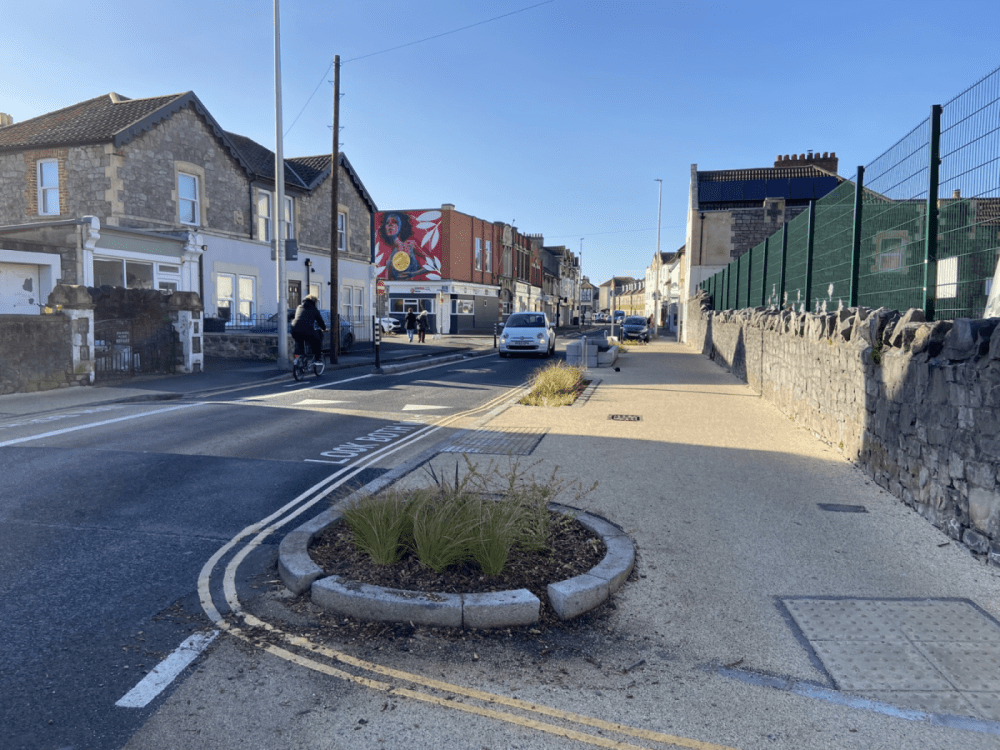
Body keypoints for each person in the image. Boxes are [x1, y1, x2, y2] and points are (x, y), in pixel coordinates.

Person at [291, 294, 326, 363]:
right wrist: (324, 328)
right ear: (314, 302)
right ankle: (317, 359)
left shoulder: (299, 307)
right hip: (306, 331)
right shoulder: (313, 308)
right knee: (317, 340)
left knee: (299, 345)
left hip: (294, 330)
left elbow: (293, 315)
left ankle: (297, 359)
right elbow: (320, 321)